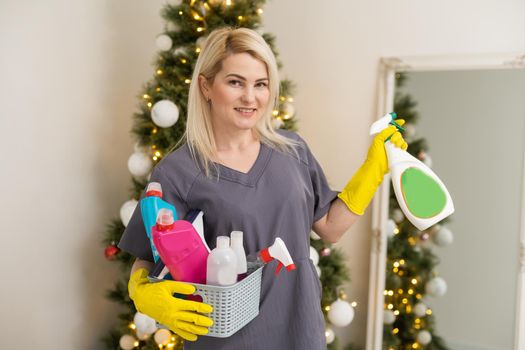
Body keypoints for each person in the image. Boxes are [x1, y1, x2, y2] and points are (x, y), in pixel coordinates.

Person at [118, 27, 407, 350]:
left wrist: (374, 169)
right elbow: (147, 256)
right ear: (206, 86)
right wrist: (142, 292)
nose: (250, 97)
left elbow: (330, 227)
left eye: (261, 84)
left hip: (301, 333)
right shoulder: (178, 171)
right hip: (226, 340)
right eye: (235, 82)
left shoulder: (293, 150)